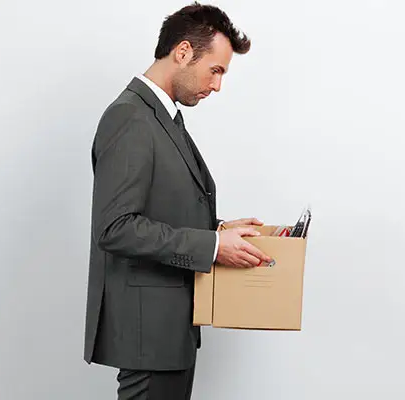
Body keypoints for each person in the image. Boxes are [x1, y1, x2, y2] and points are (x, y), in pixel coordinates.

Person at [82, 3, 273, 399]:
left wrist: (218, 230)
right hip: (148, 336)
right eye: (215, 70)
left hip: (170, 332)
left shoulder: (162, 118)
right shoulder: (130, 118)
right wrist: (214, 247)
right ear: (183, 52)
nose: (217, 85)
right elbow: (114, 227)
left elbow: (162, 211)